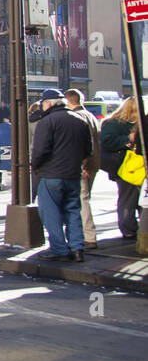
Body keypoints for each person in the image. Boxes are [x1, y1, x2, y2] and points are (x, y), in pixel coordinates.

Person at [31, 89, 93, 263]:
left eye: (43, 103)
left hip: (51, 174)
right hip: (73, 174)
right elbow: (89, 150)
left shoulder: (47, 122)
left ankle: (59, 248)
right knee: (73, 211)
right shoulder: (80, 120)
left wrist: (35, 166)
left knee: (50, 213)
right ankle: (77, 248)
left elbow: (40, 151)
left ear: (48, 104)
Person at [100, 97, 141, 239]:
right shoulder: (114, 124)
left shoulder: (114, 123)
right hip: (126, 167)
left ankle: (133, 228)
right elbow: (106, 143)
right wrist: (128, 139)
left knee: (133, 198)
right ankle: (129, 228)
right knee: (128, 198)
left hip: (133, 166)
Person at [65, 89, 101, 250]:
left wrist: (82, 165)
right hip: (93, 164)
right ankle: (83, 235)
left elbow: (81, 144)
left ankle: (88, 236)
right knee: (82, 200)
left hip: (83, 165)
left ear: (68, 102)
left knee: (81, 201)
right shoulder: (91, 116)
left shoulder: (77, 117)